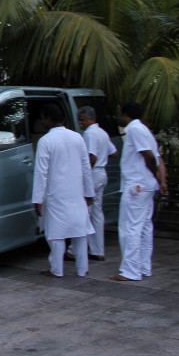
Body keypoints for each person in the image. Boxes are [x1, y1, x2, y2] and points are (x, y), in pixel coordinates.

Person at [31, 103, 95, 277]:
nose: (42, 122)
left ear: (49, 119)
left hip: (56, 194)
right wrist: (89, 193)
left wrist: (37, 199)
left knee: (56, 234)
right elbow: (86, 168)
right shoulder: (77, 137)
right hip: (76, 193)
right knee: (79, 232)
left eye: (43, 118)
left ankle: (57, 269)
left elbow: (41, 172)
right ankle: (82, 269)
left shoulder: (46, 141)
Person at [112, 102, 168, 282]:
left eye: (120, 113)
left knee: (130, 228)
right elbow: (159, 158)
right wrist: (162, 180)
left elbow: (150, 157)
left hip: (137, 186)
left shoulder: (134, 129)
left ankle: (130, 271)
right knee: (144, 227)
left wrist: (156, 176)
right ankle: (143, 267)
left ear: (125, 114)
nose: (119, 117)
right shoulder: (144, 130)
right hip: (145, 185)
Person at [69, 106, 118, 261]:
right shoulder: (102, 132)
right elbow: (114, 152)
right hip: (102, 173)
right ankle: (98, 250)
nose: (80, 123)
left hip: (92, 174)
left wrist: (81, 175)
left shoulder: (90, 134)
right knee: (96, 212)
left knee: (84, 211)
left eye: (82, 120)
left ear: (91, 119)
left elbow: (91, 157)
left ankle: (73, 250)